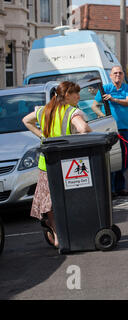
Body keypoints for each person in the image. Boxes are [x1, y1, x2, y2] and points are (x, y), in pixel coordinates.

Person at [22, 81, 92, 248]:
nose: (79, 97)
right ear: (67, 95)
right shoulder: (71, 112)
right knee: (70, 198)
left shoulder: (43, 110)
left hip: (46, 163)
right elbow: (83, 129)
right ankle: (72, 231)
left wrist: (43, 137)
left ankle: (57, 233)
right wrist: (81, 135)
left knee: (49, 202)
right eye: (76, 93)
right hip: (67, 162)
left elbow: (26, 120)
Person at [92, 65, 128, 197]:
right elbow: (94, 106)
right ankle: (110, 190)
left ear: (123, 75)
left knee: (123, 159)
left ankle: (120, 187)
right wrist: (102, 116)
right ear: (110, 76)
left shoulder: (126, 88)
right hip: (109, 130)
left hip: (123, 129)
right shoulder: (105, 88)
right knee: (110, 159)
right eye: (115, 73)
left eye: (120, 73)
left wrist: (114, 99)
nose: (117, 75)